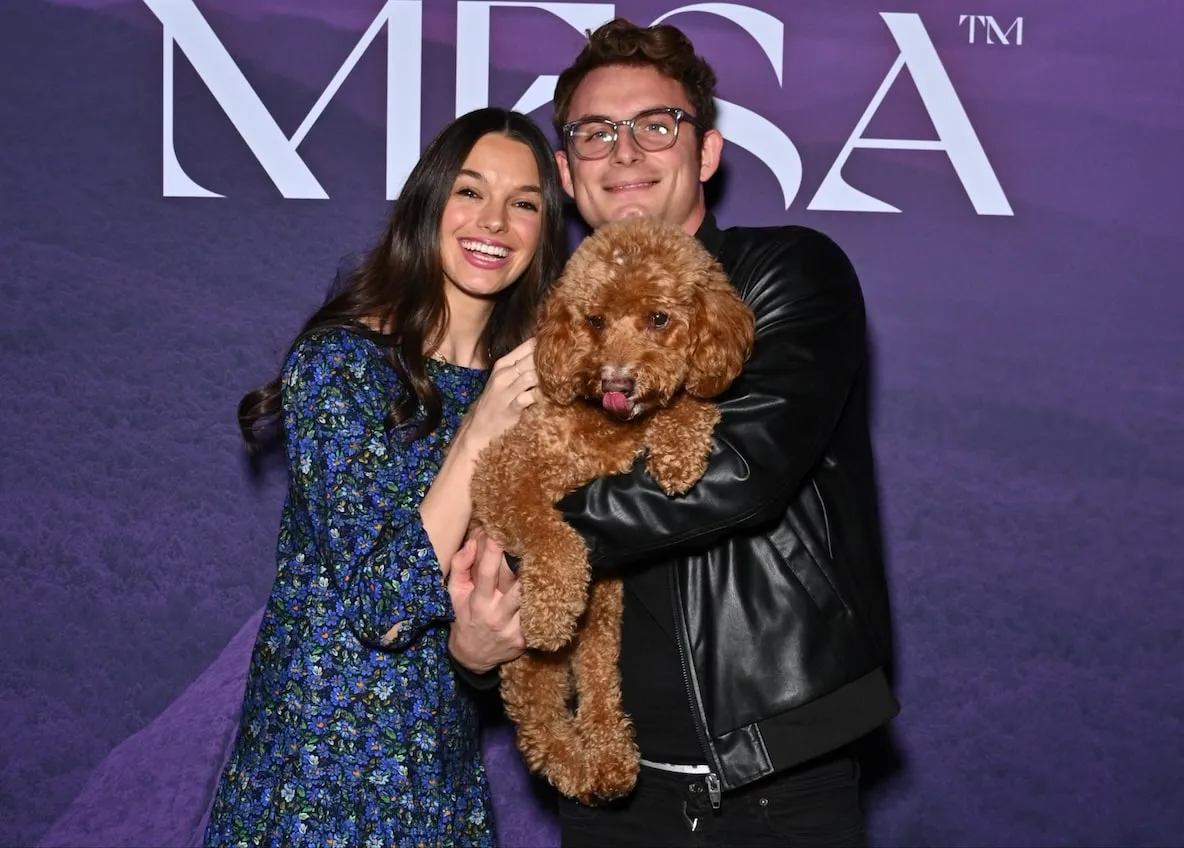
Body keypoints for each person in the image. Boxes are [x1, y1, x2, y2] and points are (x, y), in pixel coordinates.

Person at [450, 18, 901, 848]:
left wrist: (528, 545)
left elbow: (740, 470)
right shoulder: (547, 332)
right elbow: (481, 557)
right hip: (605, 792)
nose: (624, 153)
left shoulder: (788, 273)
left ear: (706, 154)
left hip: (776, 781)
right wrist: (478, 639)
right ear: (566, 172)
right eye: (595, 133)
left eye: (656, 125)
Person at [203, 106, 564, 848]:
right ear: (430, 203)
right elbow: (385, 606)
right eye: (469, 192)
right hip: (314, 774)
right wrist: (479, 428)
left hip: (438, 779)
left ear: (542, 230)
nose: (493, 221)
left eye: (523, 203)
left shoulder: (537, 394)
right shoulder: (338, 367)